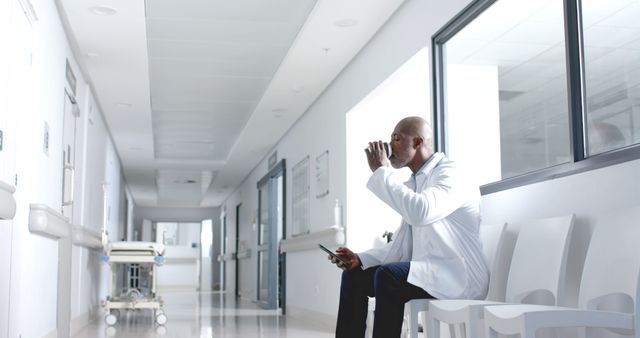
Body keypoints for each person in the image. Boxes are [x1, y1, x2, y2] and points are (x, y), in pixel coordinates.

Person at [331, 116, 489, 338]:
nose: (389, 145)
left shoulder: (451, 173)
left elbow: (421, 212)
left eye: (396, 138)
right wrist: (361, 259)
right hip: (430, 271)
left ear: (418, 142)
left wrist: (381, 172)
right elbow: (402, 245)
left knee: (389, 276)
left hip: (459, 275)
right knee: (354, 275)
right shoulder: (416, 182)